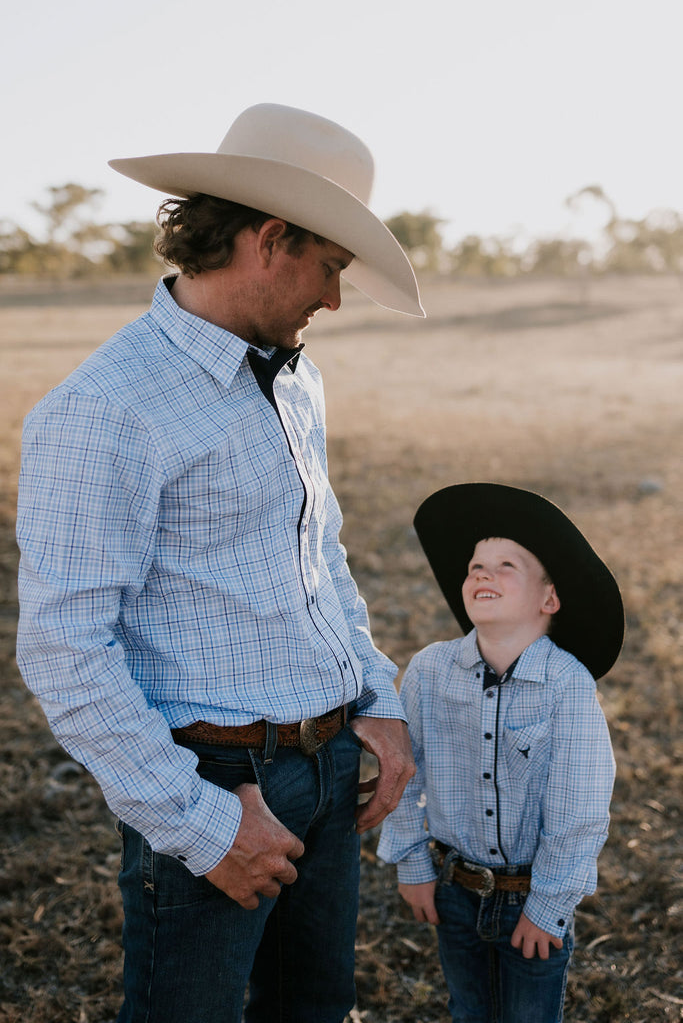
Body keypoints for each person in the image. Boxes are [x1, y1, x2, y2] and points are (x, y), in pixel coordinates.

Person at [15, 103, 423, 1023]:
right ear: (270, 239)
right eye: (330, 267)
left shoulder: (295, 373)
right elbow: (63, 649)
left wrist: (377, 697)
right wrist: (200, 829)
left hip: (328, 769)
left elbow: (317, 553)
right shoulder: (104, 409)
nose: (334, 299)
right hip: (212, 785)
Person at [377, 483, 624, 1023]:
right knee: (469, 1010)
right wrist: (412, 862)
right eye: (474, 567)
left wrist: (549, 906)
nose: (481, 574)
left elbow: (578, 808)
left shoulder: (566, 685)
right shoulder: (429, 670)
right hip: (454, 889)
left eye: (505, 565)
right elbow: (402, 773)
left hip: (531, 898)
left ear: (548, 599)